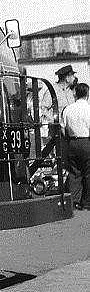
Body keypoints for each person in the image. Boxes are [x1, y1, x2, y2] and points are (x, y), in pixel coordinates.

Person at [62, 82, 90, 210]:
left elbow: (63, 128)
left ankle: (73, 201)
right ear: (87, 94)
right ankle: (86, 201)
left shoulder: (68, 109)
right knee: (88, 172)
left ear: (75, 94)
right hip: (86, 141)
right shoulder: (88, 109)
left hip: (72, 142)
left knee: (74, 172)